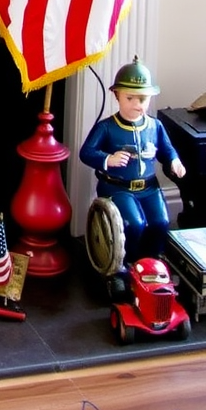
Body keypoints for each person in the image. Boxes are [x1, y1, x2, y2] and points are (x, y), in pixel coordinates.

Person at [79, 56, 185, 261]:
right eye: (130, 98)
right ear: (117, 96)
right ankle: (127, 264)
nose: (137, 105)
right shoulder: (106, 127)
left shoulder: (155, 126)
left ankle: (151, 262)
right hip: (118, 188)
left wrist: (174, 161)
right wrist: (108, 158)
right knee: (133, 224)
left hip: (149, 188)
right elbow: (87, 152)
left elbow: (167, 150)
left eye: (142, 99)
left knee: (160, 222)